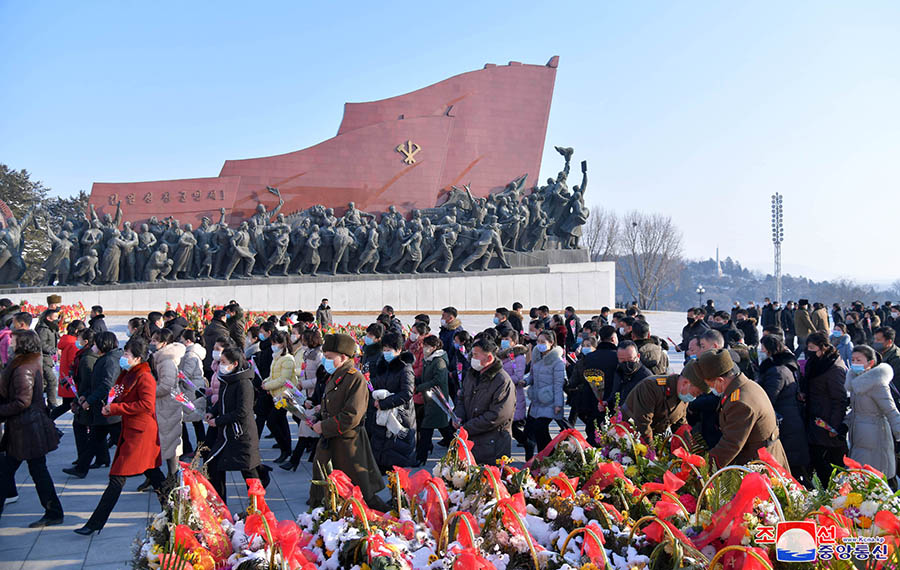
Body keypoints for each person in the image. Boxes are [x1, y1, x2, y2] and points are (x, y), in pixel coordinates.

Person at [75, 336, 167, 535]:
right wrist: (109, 403)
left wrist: (116, 408)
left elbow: (146, 405)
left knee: (117, 477)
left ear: (138, 358)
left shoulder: (145, 377)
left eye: (127, 354)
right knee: (154, 474)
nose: (123, 357)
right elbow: (116, 392)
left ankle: (95, 523)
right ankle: (173, 509)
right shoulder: (128, 373)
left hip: (141, 434)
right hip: (131, 430)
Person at [309, 333, 387, 510]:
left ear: (343, 357)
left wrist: (324, 426)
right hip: (332, 440)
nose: (325, 361)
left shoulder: (355, 378)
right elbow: (331, 405)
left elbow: (352, 415)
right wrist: (316, 418)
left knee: (359, 494)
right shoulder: (337, 375)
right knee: (328, 489)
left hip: (348, 444)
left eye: (329, 357)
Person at [0, 330, 63, 526]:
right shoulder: (25, 362)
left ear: (23, 344)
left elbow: (22, 401)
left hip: (26, 429)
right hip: (27, 427)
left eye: (14, 341)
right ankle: (54, 511)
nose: (10, 344)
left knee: (15, 471)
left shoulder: (23, 368)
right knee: (30, 470)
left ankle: (54, 512)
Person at [695, 349, 791, 471]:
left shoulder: (740, 402)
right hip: (763, 457)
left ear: (720, 380)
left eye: (711, 385)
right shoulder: (745, 386)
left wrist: (703, 469)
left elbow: (730, 444)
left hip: (760, 466)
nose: (711, 390)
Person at [205, 346, 268, 505]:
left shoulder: (244, 383)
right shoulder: (226, 379)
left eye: (224, 362)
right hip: (226, 434)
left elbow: (242, 411)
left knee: (248, 471)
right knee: (214, 466)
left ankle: (257, 507)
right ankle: (220, 506)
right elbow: (222, 401)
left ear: (234, 364)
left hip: (241, 435)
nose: (221, 365)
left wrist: (218, 421)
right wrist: (212, 412)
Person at [66, 331, 124, 479]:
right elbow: (96, 383)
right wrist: (85, 395)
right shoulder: (106, 358)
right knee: (95, 439)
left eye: (96, 344)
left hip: (108, 408)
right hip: (103, 409)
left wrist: (89, 400)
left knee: (122, 442)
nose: (94, 347)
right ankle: (81, 468)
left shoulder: (110, 361)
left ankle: (148, 470)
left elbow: (106, 385)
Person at [757, 335, 810, 485]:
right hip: (790, 419)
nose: (761, 351)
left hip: (785, 423)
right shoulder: (786, 367)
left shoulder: (777, 371)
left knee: (791, 467)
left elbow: (768, 399)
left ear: (769, 350)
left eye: (763, 348)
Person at [454, 338, 515, 465]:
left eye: (476, 355)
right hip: (472, 441)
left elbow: (497, 415)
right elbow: (462, 398)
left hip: (492, 445)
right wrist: (458, 416)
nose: (472, 358)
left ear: (489, 358)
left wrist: (467, 427)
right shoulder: (472, 375)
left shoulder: (502, 381)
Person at [845, 345, 900, 484]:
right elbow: (857, 410)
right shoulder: (856, 382)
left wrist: (898, 433)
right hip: (858, 436)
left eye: (859, 360)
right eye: (853, 360)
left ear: (870, 363)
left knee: (875, 477)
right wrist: (844, 424)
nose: (855, 363)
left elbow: (891, 410)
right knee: (860, 478)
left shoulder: (877, 384)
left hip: (876, 437)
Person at [803, 332, 849, 486]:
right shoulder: (816, 362)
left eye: (812, 348)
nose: (809, 351)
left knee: (828, 465)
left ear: (823, 347)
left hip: (826, 421)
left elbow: (840, 399)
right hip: (815, 417)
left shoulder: (834, 368)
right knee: (817, 460)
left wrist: (834, 426)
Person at [367, 332, 417, 472]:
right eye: (384, 349)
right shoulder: (382, 365)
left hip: (400, 416)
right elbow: (376, 384)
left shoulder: (405, 368)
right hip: (382, 415)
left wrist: (383, 404)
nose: (386, 353)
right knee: (380, 451)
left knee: (396, 454)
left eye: (389, 350)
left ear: (399, 350)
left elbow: (407, 393)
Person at [623, 361, 707, 439]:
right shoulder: (651, 387)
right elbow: (642, 424)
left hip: (650, 435)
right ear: (685, 383)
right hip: (628, 433)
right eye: (695, 393)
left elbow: (680, 425)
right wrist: (651, 449)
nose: (694, 397)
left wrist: (688, 446)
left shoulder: (683, 396)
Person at [282, 328, 324, 470]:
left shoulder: (318, 356)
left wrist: (304, 384)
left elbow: (320, 378)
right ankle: (306, 456)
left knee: (306, 426)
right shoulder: (307, 354)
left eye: (304, 340)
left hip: (316, 394)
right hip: (308, 394)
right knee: (306, 426)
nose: (302, 342)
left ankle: (295, 460)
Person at [525, 330, 566, 460]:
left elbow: (558, 385)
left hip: (550, 400)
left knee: (540, 428)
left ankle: (550, 456)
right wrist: (525, 382)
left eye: (543, 342)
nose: (539, 345)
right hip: (537, 400)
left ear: (551, 343)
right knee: (536, 431)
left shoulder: (557, 362)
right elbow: (532, 376)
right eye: (538, 341)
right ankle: (545, 457)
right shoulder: (537, 358)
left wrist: (558, 404)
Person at [150, 329, 185, 476]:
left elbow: (166, 386)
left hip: (168, 406)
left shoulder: (167, 361)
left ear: (164, 343)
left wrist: (149, 392)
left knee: (170, 440)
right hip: (164, 405)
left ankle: (173, 475)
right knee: (166, 440)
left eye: (155, 341)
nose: (152, 343)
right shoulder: (161, 359)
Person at [260, 330, 296, 464]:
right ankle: (286, 450)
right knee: (281, 422)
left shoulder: (287, 359)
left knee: (272, 421)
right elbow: (273, 375)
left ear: (283, 344)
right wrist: (266, 382)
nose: (273, 345)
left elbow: (283, 379)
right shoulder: (277, 357)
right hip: (276, 395)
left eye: (276, 343)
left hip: (284, 396)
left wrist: (267, 386)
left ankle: (285, 448)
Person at [414, 335, 450, 465]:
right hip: (430, 398)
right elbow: (425, 377)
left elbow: (438, 380)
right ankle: (455, 445)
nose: (424, 349)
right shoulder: (429, 359)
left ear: (434, 347)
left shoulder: (439, 361)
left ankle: (421, 457)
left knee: (426, 428)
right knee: (443, 427)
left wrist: (419, 387)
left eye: (427, 346)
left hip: (437, 398)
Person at [498, 331, 529, 453]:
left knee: (510, 424)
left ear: (514, 342)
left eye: (507, 339)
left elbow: (518, 376)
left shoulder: (518, 357)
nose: (504, 341)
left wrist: (501, 380)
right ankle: (526, 441)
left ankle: (527, 442)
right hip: (503, 392)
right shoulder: (502, 354)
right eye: (503, 338)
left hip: (513, 393)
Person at [178, 329, 207, 458]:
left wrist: (175, 374)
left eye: (182, 339)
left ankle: (191, 448)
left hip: (189, 390)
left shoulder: (190, 355)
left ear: (188, 341)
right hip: (194, 388)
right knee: (196, 420)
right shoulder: (195, 352)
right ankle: (201, 447)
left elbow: (186, 374)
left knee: (186, 419)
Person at [51, 319, 85, 420]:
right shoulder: (74, 344)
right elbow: (73, 364)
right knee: (70, 404)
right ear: (77, 331)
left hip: (66, 379)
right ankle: (48, 419)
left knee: (67, 404)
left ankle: (48, 419)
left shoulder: (67, 341)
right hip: (71, 381)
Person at [606, 341, 652, 409]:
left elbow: (649, 405)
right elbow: (614, 394)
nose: (626, 364)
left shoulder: (646, 378)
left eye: (630, 359)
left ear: (638, 356)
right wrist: (607, 404)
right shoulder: (619, 372)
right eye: (622, 360)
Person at [34, 306, 61, 408]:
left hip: (49, 359)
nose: (57, 319)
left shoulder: (52, 327)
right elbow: (41, 344)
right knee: (52, 380)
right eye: (55, 317)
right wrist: (52, 350)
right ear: (49, 318)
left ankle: (42, 402)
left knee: (44, 383)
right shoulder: (43, 329)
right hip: (43, 358)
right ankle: (52, 402)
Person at [202, 310, 230, 378]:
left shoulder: (208, 327)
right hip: (216, 361)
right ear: (222, 318)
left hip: (206, 360)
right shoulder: (222, 331)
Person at [874, 327, 900, 391]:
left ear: (889, 342)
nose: (875, 342)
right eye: (875, 339)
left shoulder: (896, 358)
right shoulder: (876, 352)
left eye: (878, 340)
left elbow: (893, 382)